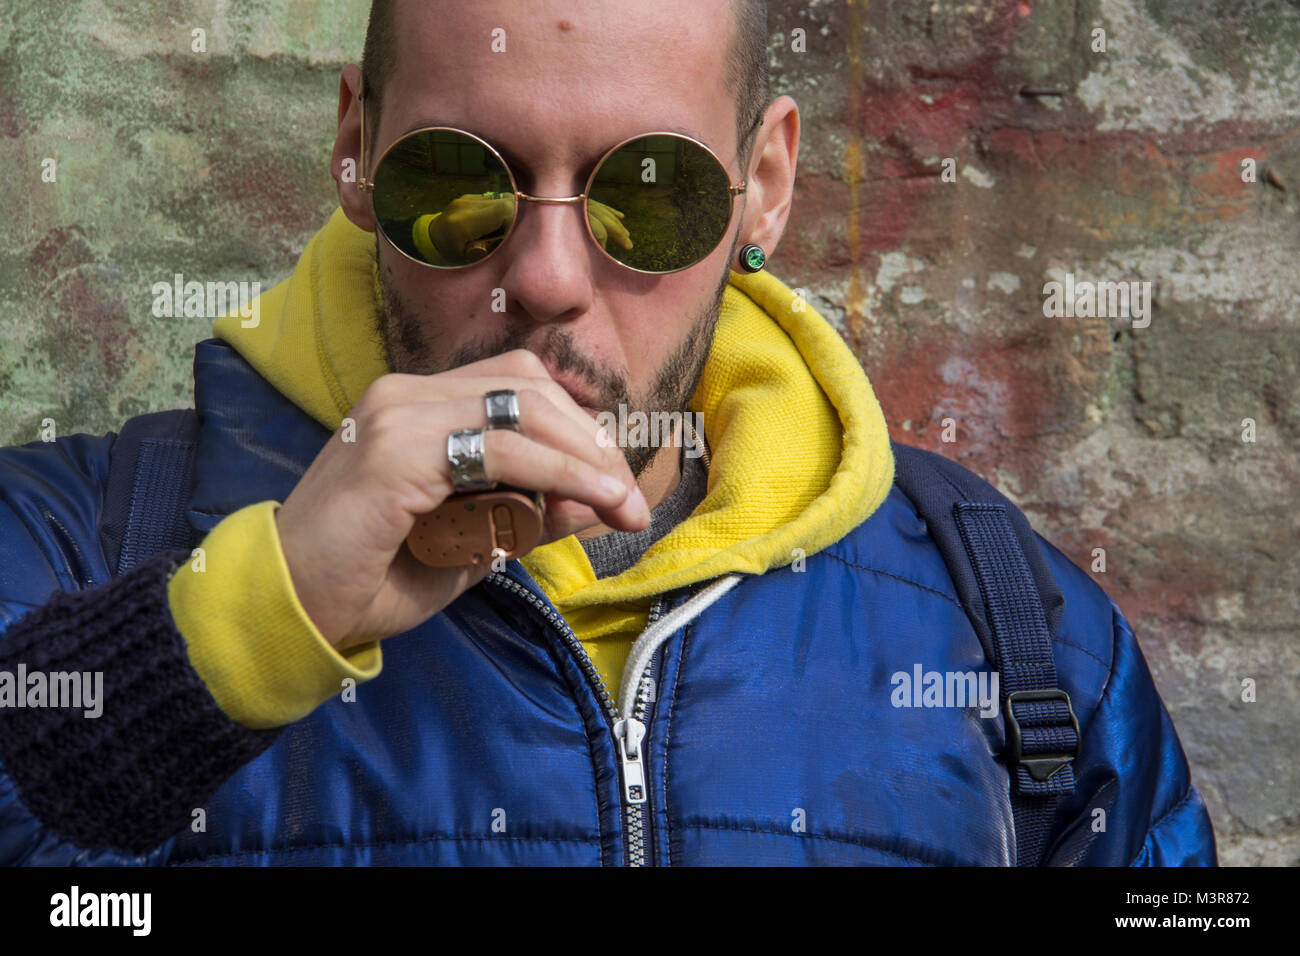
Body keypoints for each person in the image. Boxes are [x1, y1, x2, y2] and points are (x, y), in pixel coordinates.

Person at [0, 0, 1215, 866]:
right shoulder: (69, 546)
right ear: (354, 149)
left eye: (648, 191)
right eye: (458, 181)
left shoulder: (1008, 624)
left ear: (768, 187)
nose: (543, 274)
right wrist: (254, 622)